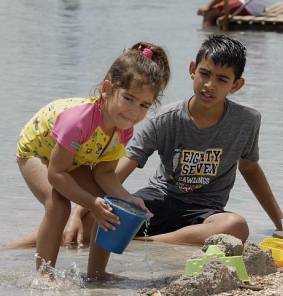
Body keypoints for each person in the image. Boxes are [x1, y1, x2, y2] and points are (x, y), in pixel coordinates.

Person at [12, 41, 170, 274]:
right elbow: (56, 175)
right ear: (107, 89)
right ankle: (44, 278)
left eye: (144, 104)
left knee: (109, 204)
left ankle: (97, 274)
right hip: (36, 150)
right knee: (58, 205)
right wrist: (90, 204)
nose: (134, 111)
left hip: (72, 158)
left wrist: (127, 198)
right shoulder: (78, 121)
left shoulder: (124, 128)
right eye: (128, 98)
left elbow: (104, 172)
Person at [197, 0, 265, 28]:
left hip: (250, 6)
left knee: (210, 13)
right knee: (213, 9)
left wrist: (207, 7)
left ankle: (207, 42)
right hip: (257, 6)